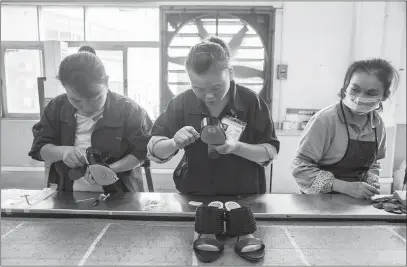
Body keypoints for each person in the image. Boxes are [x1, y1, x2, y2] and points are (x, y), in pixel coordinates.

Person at [147, 36, 280, 195]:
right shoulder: (182, 102)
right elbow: (155, 150)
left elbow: (270, 151)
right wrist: (174, 143)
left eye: (216, 87)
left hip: (244, 195)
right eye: (199, 89)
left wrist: (236, 147)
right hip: (194, 193)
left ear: (230, 73)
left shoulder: (251, 102)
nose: (209, 96)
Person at [29, 52, 152, 192]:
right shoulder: (56, 107)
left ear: (106, 81)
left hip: (121, 195)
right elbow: (40, 149)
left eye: (95, 98)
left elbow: (142, 153)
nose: (87, 107)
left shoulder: (129, 110)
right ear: (64, 88)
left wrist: (109, 170)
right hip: (68, 195)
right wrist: (63, 152)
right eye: (76, 100)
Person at [292, 58, 399, 199]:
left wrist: (372, 179)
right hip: (319, 202)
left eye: (371, 93)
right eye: (355, 89)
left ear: (384, 96)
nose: (359, 98)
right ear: (345, 88)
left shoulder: (377, 124)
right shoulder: (325, 120)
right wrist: (344, 187)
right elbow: (300, 167)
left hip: (356, 202)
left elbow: (374, 163)